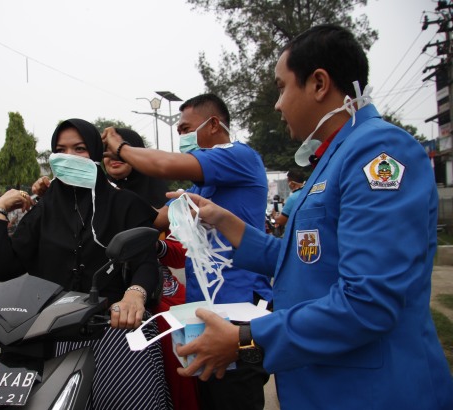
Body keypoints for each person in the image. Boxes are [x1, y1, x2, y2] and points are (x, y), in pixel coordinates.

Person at [171, 24, 453, 409]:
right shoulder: (334, 156)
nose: (277, 104)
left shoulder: (377, 152)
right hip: (325, 384)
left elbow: (368, 301)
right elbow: (306, 260)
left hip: (372, 392)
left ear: (319, 84)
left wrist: (247, 339)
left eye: (281, 87)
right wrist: (224, 221)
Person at [0, 118, 172, 410]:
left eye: (80, 148)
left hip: (113, 330)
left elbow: (145, 262)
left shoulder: (125, 204)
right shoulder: (42, 210)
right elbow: (3, 267)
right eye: (60, 150)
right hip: (51, 334)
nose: (69, 157)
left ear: (96, 154)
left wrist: (134, 294)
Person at [102, 94, 272, 410]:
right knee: (209, 399)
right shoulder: (198, 190)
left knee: (239, 395)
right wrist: (104, 184)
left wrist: (120, 147)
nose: (181, 137)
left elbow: (165, 164)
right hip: (203, 319)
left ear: (214, 124)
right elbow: (155, 218)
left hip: (241, 319)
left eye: (185, 128)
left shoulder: (239, 157)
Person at [104, 128, 199, 410]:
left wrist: (152, 246)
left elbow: (182, 254)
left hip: (161, 299)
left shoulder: (165, 195)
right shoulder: (95, 197)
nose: (112, 158)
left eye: (119, 150)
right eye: (105, 154)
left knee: (176, 373)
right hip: (108, 301)